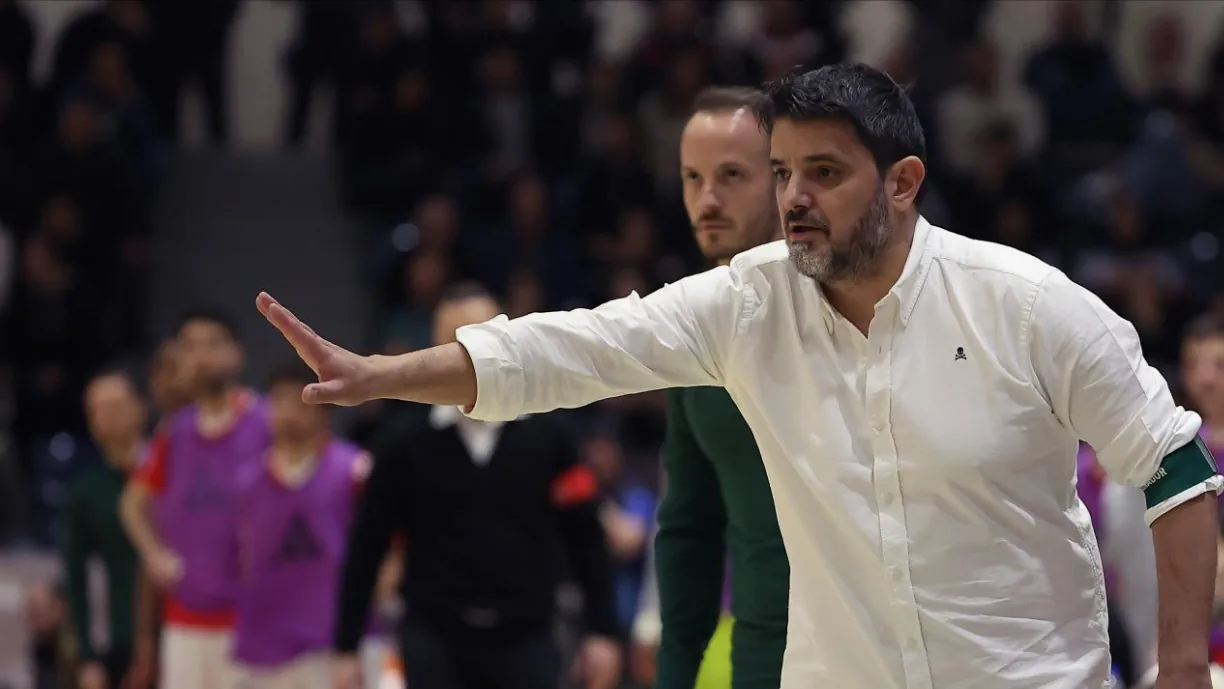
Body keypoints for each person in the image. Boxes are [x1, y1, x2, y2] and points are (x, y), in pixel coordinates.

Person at [258, 63, 1222, 689]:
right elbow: (565, 349)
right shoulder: (744, 302)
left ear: (904, 182)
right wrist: (383, 373)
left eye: (826, 174)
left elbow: (1175, 464)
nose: (795, 197)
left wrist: (1182, 664)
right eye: (786, 171)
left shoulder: (1027, 304)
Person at [330, 283, 623, 689]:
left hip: (528, 636)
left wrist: (603, 631)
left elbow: (586, 538)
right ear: (431, 348)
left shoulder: (551, 436)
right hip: (434, 637)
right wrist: (346, 647)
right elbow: (368, 545)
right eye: (452, 341)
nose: (466, 356)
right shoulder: (401, 443)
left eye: (479, 337)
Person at [635, 85, 788, 689]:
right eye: (692, 178)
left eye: (731, 175)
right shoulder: (695, 330)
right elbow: (690, 524)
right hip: (760, 660)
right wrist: (675, 671)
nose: (708, 199)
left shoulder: (850, 312)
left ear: (785, 180)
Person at [120, 310, 270, 689]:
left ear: (238, 354)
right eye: (190, 346)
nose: (201, 356)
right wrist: (154, 554)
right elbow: (132, 505)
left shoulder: (267, 423)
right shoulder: (174, 433)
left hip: (254, 620)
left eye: (212, 344)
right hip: (185, 622)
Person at [230, 362, 369, 689]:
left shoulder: (356, 472)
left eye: (301, 402)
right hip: (262, 649)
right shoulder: (247, 482)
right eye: (279, 400)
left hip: (331, 648)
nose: (289, 413)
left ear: (325, 411)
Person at [61, 370, 147, 689]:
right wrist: (87, 656)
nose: (109, 417)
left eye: (117, 405)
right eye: (98, 409)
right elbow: (76, 576)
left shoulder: (173, 476)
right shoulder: (87, 493)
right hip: (119, 641)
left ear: (141, 407)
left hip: (181, 629)